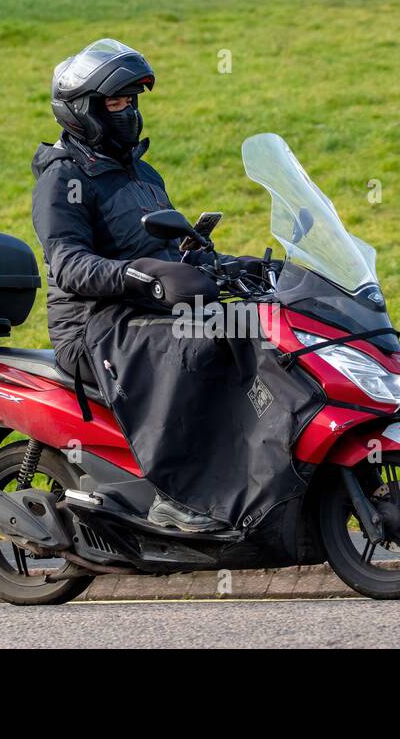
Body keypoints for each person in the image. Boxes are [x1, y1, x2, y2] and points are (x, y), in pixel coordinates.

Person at [30, 39, 265, 532]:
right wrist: (144, 276)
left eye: (133, 102)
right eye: (115, 104)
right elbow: (69, 264)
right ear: (81, 111)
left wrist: (222, 264)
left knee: (249, 331)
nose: (128, 113)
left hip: (141, 313)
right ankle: (174, 496)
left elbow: (165, 250)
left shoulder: (142, 174)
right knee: (192, 346)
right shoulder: (63, 179)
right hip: (90, 327)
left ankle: (250, 480)